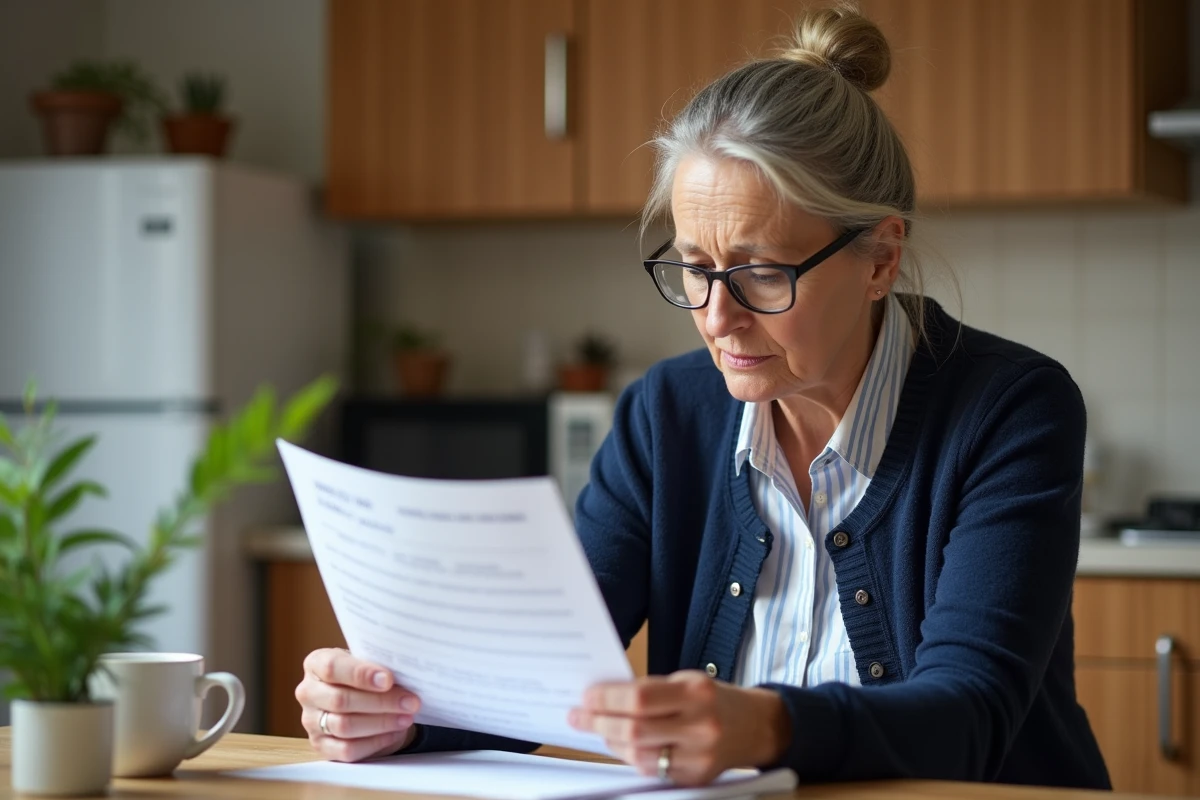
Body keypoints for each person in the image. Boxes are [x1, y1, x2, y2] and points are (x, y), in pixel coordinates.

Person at [294, 4, 1111, 790]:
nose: (717, 317)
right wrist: (400, 716)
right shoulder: (667, 412)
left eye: (761, 272)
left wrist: (767, 727)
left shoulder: (1013, 408)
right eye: (694, 266)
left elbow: (969, 719)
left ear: (880, 259)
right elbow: (538, 673)